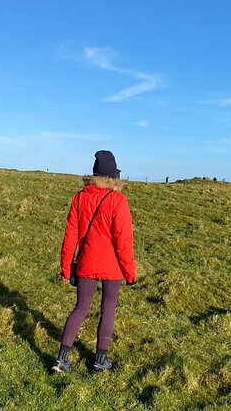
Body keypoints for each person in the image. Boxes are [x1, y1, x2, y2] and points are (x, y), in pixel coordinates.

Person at [52, 150, 137, 373]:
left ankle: (61, 359)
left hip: (86, 263)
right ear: (113, 177)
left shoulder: (79, 197)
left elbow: (70, 235)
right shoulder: (118, 200)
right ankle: (100, 361)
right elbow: (124, 240)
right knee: (108, 309)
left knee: (80, 308)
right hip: (113, 266)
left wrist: (65, 266)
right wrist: (130, 272)